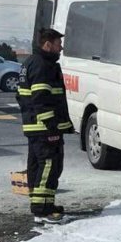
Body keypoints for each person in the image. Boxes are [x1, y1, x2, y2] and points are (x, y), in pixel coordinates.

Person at [18, 28, 74, 224]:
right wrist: (51, 127)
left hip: (35, 127)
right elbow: (41, 99)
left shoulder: (31, 62)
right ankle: (43, 210)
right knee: (49, 166)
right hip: (44, 128)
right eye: (59, 44)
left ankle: (44, 205)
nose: (61, 47)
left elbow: (23, 98)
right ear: (48, 44)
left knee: (38, 167)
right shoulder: (43, 65)